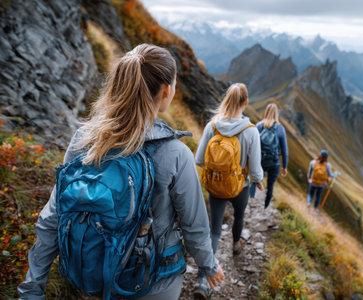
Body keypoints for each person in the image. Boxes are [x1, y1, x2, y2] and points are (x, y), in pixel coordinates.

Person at [17, 44, 224, 300]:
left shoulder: (85, 139)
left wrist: (32, 289)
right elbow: (195, 228)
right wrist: (209, 266)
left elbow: (53, 216)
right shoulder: (175, 153)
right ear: (167, 91)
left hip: (96, 269)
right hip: (155, 281)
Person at [194, 83, 264, 299]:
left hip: (216, 186)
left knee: (214, 231)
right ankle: (236, 245)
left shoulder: (212, 126)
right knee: (239, 216)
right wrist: (259, 181)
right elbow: (254, 168)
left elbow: (199, 159)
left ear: (227, 99)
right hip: (240, 187)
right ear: (246, 102)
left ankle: (202, 281)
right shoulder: (250, 131)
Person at [249, 103, 288, 209]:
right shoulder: (280, 129)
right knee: (270, 185)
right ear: (276, 114)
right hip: (274, 162)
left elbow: (253, 145)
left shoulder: (259, 126)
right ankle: (265, 207)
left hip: (260, 160)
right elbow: (284, 150)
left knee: (255, 179)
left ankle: (251, 199)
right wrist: (284, 167)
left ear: (266, 112)